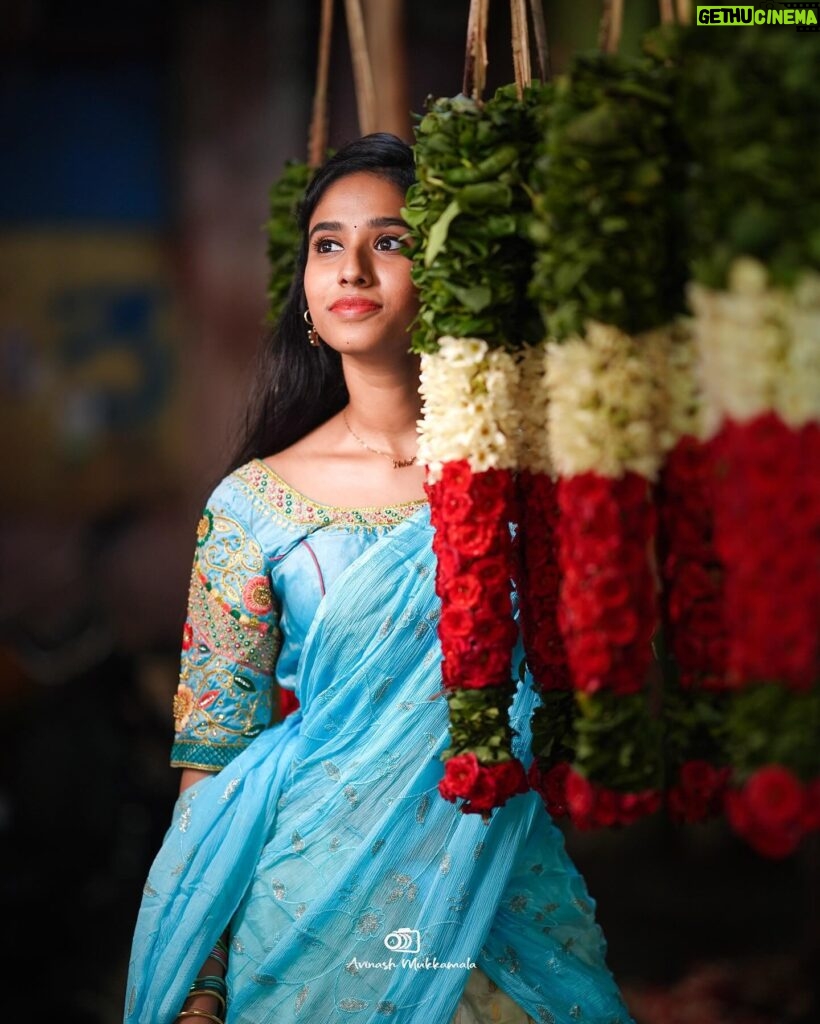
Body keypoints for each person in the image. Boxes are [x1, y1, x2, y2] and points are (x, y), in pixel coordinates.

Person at [124, 133, 636, 1024]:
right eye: (328, 244)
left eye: (390, 242)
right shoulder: (254, 506)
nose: (352, 267)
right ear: (306, 295)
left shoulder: (522, 481)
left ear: (443, 274)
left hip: (496, 899)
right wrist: (204, 976)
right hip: (305, 911)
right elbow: (214, 760)